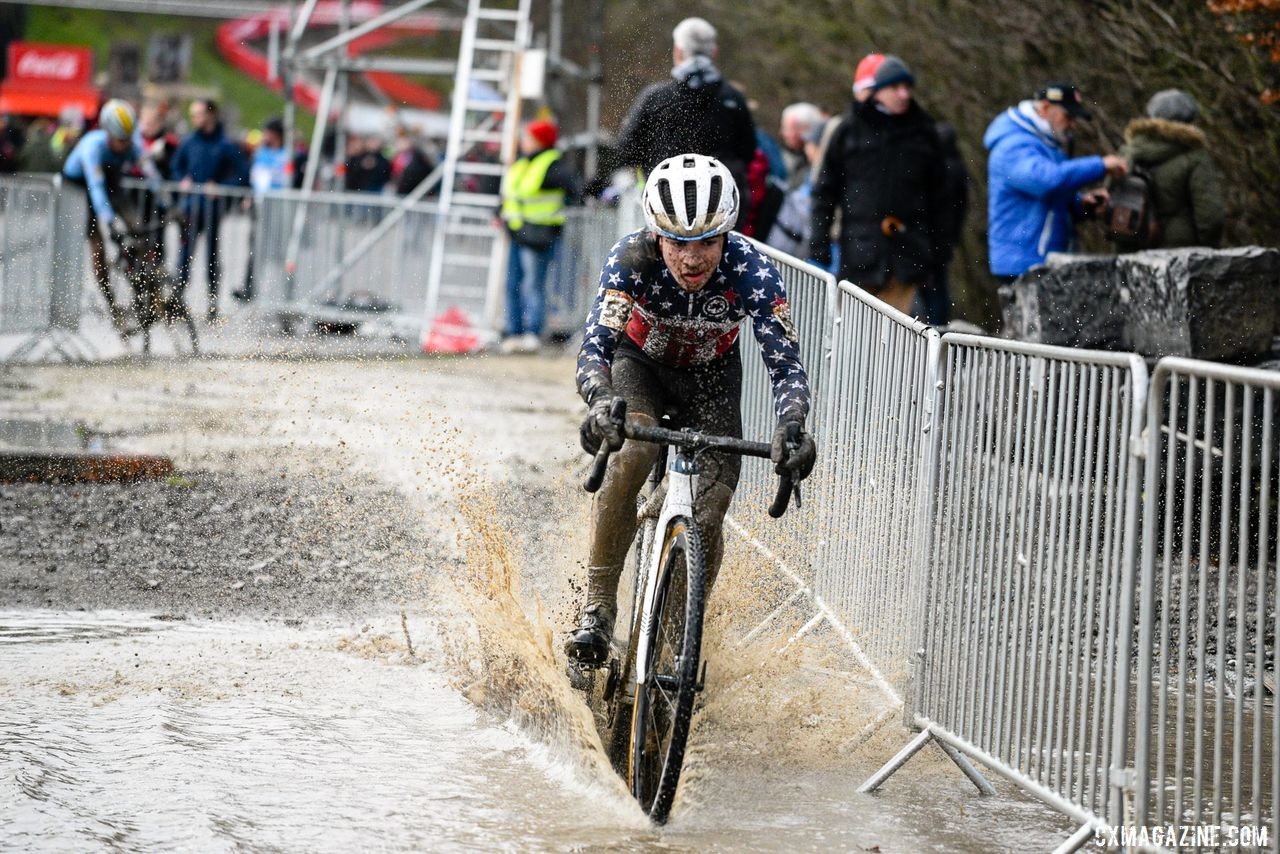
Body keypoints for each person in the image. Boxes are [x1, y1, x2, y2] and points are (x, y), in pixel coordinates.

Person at [565, 153, 817, 665]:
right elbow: (594, 349)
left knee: (711, 505)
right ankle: (596, 608)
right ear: (657, 235)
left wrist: (792, 425)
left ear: (728, 234)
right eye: (678, 242)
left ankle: (677, 642)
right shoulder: (630, 259)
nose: (693, 258)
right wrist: (599, 401)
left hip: (712, 381)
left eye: (707, 240)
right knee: (632, 451)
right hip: (640, 368)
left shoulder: (753, 272)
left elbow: (786, 366)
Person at [808, 54, 947, 315]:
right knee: (856, 333)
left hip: (909, 255)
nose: (904, 94)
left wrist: (938, 252)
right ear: (878, 91)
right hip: (859, 254)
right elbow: (824, 192)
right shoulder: (849, 130)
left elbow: (941, 198)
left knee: (898, 339)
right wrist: (819, 241)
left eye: (907, 88)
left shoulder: (924, 132)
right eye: (896, 87)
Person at [602, 17, 757, 227]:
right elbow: (747, 151)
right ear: (714, 52)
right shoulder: (733, 99)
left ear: (678, 51)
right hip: (719, 208)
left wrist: (595, 185)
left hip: (664, 203)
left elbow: (627, 150)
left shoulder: (655, 98)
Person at [984, 82, 1128, 283]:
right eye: (1068, 116)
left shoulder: (1045, 145)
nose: (1072, 124)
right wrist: (1100, 165)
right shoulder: (1013, 146)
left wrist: (1081, 204)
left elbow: (1051, 198)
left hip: (1041, 260)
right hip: (1023, 263)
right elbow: (1045, 181)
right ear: (1045, 108)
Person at [62, 99, 155, 335]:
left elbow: (150, 172)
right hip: (81, 191)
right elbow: (96, 186)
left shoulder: (132, 146)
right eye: (119, 140)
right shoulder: (92, 147)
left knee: (138, 227)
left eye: (127, 140)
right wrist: (110, 222)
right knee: (98, 248)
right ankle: (114, 308)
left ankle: (148, 287)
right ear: (107, 132)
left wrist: (170, 204)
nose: (124, 146)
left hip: (112, 186)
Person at [498, 119, 581, 353]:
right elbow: (511, 195)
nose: (524, 142)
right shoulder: (523, 163)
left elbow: (575, 189)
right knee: (513, 285)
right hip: (517, 232)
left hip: (538, 235)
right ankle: (514, 332)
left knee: (533, 286)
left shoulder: (552, 165)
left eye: (528, 138)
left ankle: (532, 332)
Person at [1114, 89, 1224, 250]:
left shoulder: (1127, 152)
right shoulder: (1194, 156)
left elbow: (1110, 197)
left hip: (1131, 247)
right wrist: (1208, 250)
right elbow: (1211, 217)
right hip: (1181, 253)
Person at [171, 99, 248, 323]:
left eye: (198, 114)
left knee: (212, 258)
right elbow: (176, 168)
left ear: (210, 115)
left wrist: (223, 188)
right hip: (190, 210)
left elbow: (243, 174)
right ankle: (177, 303)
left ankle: (212, 305)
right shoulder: (189, 142)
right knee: (184, 256)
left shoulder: (225, 144)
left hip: (212, 210)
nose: (194, 118)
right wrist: (181, 180)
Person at [779, 102, 824, 190]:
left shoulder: (819, 166)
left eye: (786, 128)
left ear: (803, 129)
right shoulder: (800, 161)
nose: (782, 133)